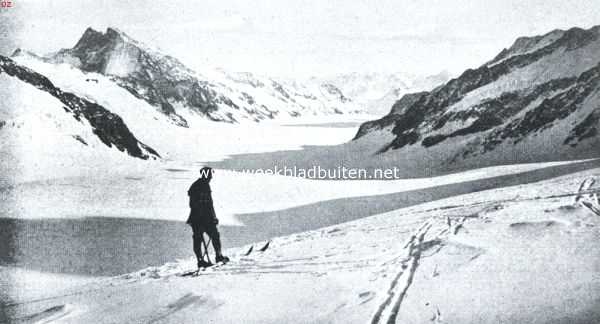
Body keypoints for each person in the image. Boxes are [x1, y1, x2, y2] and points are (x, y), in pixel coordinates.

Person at [187, 167, 229, 268]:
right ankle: (204, 259)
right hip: (200, 218)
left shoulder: (202, 185)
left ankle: (209, 258)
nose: (211, 177)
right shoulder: (199, 186)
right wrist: (208, 217)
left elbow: (209, 204)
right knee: (203, 237)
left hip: (200, 218)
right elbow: (197, 204)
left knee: (207, 237)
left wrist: (213, 216)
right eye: (210, 175)